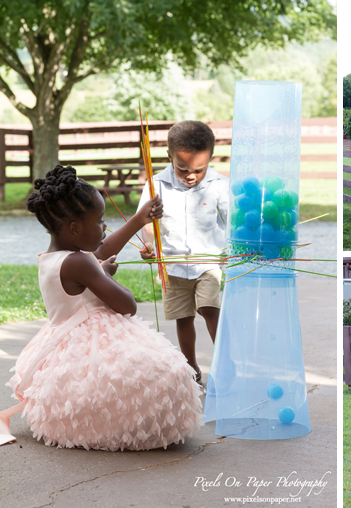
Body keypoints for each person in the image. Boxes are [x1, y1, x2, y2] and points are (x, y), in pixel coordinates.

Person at [0, 165, 202, 449]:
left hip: (64, 346)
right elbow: (127, 305)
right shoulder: (79, 262)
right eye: (100, 220)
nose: (104, 226)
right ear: (74, 228)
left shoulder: (57, 256)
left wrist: (138, 219)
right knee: (164, 374)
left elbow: (101, 251)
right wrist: (103, 275)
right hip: (87, 346)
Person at [138, 121, 229, 385]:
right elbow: (145, 223)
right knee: (183, 316)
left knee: (209, 308)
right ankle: (191, 368)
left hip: (208, 262)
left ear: (210, 159)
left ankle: (224, 364)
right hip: (173, 265)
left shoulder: (220, 185)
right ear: (170, 156)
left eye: (199, 170)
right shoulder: (156, 185)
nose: (191, 175)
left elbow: (233, 222)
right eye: (183, 169)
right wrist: (149, 246)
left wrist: (235, 249)